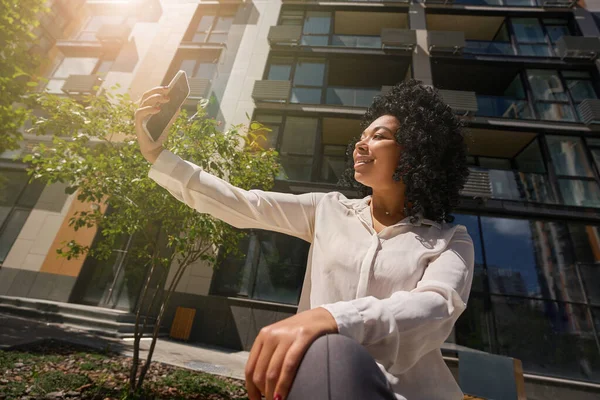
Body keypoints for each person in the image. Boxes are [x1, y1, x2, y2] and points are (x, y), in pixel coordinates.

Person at [134, 79, 474, 400]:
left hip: (408, 394)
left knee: (336, 351)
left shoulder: (450, 240)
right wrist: (158, 157)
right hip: (321, 381)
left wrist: (333, 319)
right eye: (362, 135)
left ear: (416, 153)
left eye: (379, 136)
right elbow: (244, 204)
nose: (361, 143)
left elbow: (435, 306)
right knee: (332, 356)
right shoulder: (328, 210)